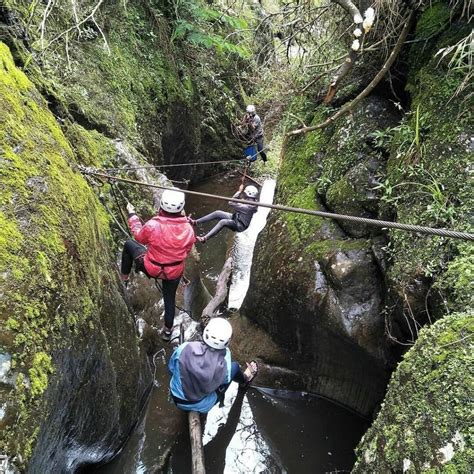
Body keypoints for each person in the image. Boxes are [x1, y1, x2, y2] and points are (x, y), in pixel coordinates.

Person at [120, 188, 196, 341]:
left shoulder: (153, 225)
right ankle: (168, 333)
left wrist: (132, 215)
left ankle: (124, 279)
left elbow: (139, 237)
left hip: (152, 268)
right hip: (174, 272)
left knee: (129, 245)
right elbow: (186, 251)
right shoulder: (188, 229)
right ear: (181, 209)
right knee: (170, 299)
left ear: (161, 206)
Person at [168, 317, 258, 413]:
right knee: (235, 367)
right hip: (200, 405)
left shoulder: (184, 347)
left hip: (176, 397)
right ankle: (245, 380)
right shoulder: (224, 362)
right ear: (227, 341)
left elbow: (171, 369)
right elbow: (224, 380)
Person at [190, 184, 259, 243]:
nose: (244, 194)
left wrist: (239, 191)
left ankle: (204, 239)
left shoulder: (246, 207)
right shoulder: (253, 202)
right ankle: (195, 222)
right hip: (237, 218)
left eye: (245, 193)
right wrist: (242, 200)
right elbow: (243, 203)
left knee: (223, 222)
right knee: (217, 213)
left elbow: (231, 203)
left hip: (240, 225)